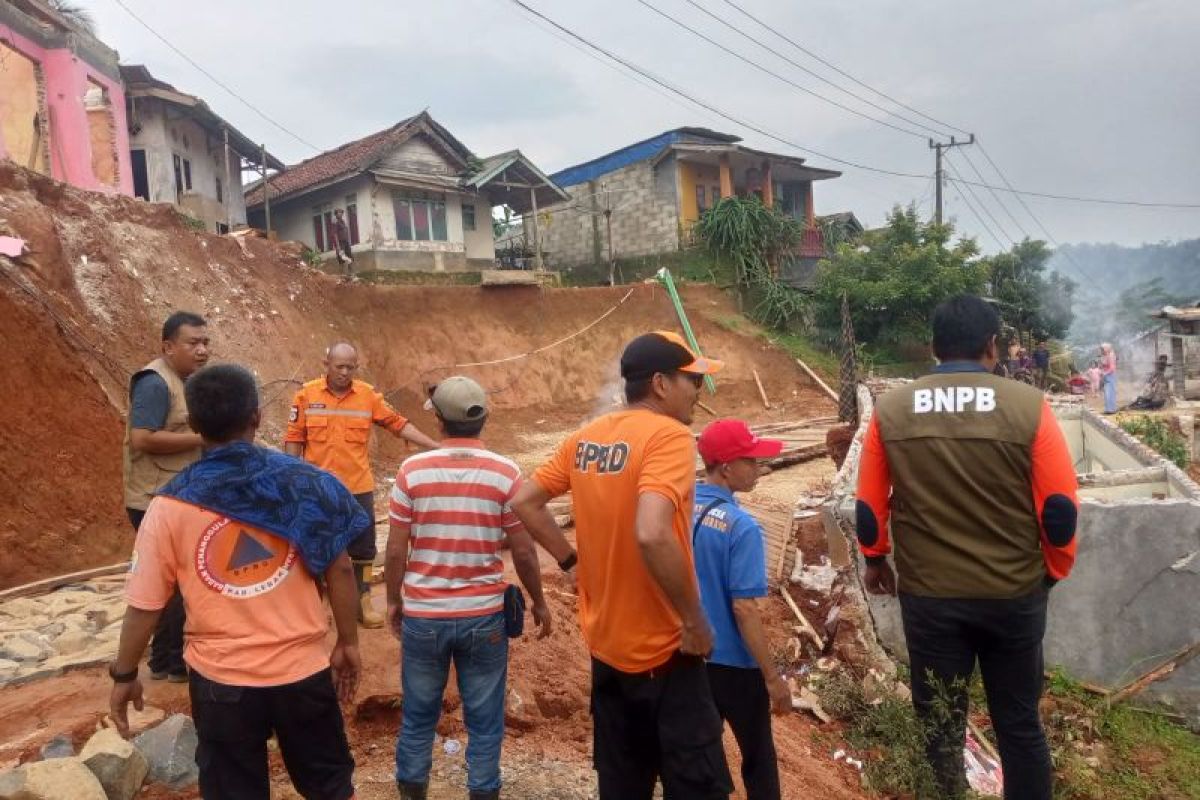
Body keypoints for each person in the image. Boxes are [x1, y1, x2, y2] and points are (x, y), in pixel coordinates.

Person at [855, 295, 1079, 800]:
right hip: (1014, 594)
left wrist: (875, 560)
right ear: (992, 346)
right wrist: (1051, 572)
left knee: (939, 729)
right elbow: (1060, 510)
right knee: (1020, 726)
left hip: (931, 598)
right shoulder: (1028, 407)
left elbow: (868, 506)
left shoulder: (891, 410)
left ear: (933, 347)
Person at [110, 364, 368, 800]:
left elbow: (145, 604)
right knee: (329, 787)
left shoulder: (169, 505)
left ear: (193, 424)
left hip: (221, 682)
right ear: (257, 418)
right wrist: (348, 641)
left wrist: (124, 673)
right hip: (301, 671)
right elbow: (340, 567)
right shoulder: (307, 485)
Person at [511, 330, 734, 799]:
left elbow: (525, 502)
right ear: (660, 383)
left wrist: (572, 561)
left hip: (608, 652)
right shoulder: (669, 437)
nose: (698, 390)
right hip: (667, 653)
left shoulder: (586, 439)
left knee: (623, 787)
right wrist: (694, 621)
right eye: (691, 379)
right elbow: (652, 532)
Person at [386, 377, 554, 800]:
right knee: (484, 715)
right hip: (484, 616)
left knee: (419, 713)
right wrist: (538, 602)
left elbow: (394, 550)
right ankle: (482, 789)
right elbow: (525, 552)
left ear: (439, 420)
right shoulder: (505, 472)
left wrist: (393, 601)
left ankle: (412, 790)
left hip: (424, 616)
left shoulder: (412, 471)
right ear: (484, 418)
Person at [285, 343, 439, 628]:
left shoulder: (367, 396)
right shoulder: (306, 395)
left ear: (356, 367)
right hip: (318, 489)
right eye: (339, 366)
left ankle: (362, 600)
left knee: (364, 549)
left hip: (358, 487)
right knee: (315, 545)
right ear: (326, 364)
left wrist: (434, 446)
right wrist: (291, 480)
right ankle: (318, 603)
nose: (344, 373)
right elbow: (294, 438)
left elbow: (398, 424)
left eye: (350, 367)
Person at [693, 419, 791, 800]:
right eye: (751, 460)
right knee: (758, 759)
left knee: (702, 753)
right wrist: (771, 678)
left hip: (688, 657)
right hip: (735, 664)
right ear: (726, 467)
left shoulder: (673, 509)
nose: (759, 468)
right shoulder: (742, 527)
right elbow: (744, 608)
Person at [122, 311, 210, 682]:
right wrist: (203, 439)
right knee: (174, 583)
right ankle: (172, 662)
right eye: (193, 343)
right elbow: (142, 438)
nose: (202, 350)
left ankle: (163, 659)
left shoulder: (185, 380)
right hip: (152, 499)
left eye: (206, 343)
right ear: (168, 346)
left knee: (174, 581)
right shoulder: (155, 383)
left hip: (174, 496)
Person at [332, 208, 354, 277]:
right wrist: (338, 246)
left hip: (346, 242)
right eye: (338, 212)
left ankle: (351, 274)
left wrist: (348, 242)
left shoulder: (343, 222)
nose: (340, 213)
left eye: (341, 212)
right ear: (336, 214)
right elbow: (335, 234)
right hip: (340, 244)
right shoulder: (335, 223)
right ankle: (342, 276)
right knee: (341, 259)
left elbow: (346, 232)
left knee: (350, 257)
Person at [1100, 343, 1119, 414]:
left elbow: (1112, 368)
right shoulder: (1105, 355)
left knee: (1110, 392)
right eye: (1101, 349)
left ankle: (1111, 409)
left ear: (1107, 348)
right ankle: (1109, 409)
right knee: (1107, 393)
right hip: (1106, 376)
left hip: (1110, 375)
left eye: (1103, 349)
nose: (1102, 350)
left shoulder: (1111, 355)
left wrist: (1104, 373)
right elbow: (1103, 366)